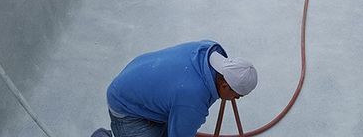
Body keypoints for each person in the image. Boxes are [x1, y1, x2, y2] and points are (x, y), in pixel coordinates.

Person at [92, 40, 258, 137]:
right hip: (126, 107)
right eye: (237, 96)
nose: (235, 99)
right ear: (224, 84)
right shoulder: (193, 100)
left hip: (135, 80)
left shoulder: (209, 51)